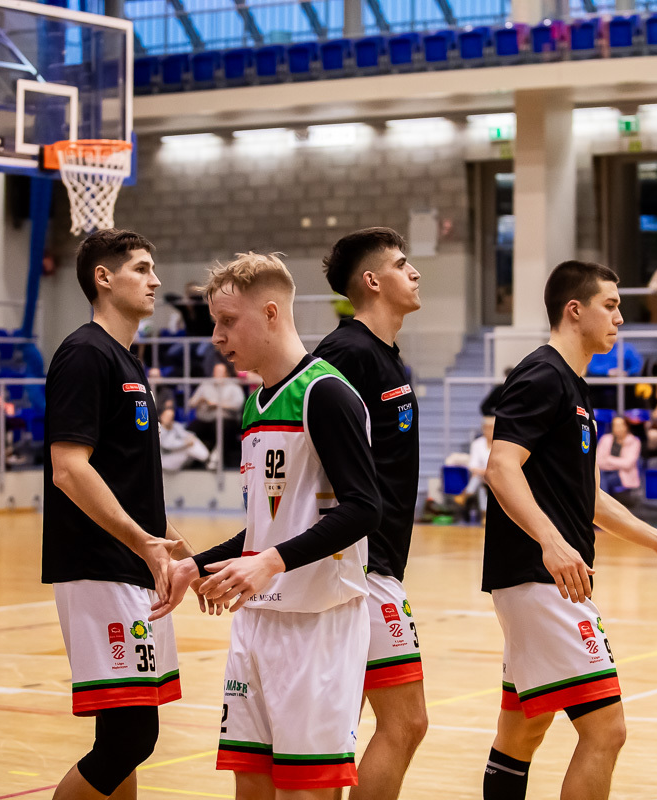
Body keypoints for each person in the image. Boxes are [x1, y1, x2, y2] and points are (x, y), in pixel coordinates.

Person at [156, 252, 382, 800]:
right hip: (257, 620)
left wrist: (270, 563)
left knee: (305, 791)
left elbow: (364, 507)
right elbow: (267, 527)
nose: (216, 336)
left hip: (317, 623)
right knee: (251, 783)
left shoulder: (326, 394)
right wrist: (195, 566)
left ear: (272, 314)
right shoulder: (255, 404)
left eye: (228, 321)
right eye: (215, 322)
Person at [479, 260, 657, 800]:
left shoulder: (574, 386)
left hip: (545, 578)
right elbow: (501, 467)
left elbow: (590, 497)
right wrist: (552, 542)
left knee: (523, 730)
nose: (620, 318)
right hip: (542, 579)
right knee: (606, 729)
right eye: (611, 305)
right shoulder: (542, 374)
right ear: (574, 310)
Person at [43, 229, 198, 800]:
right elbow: (69, 469)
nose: (156, 280)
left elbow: (134, 488)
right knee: (131, 737)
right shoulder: (85, 353)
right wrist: (143, 542)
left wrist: (186, 556)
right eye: (142, 268)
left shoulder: (128, 361)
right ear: (103, 278)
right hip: (99, 567)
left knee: (122, 734)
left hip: (132, 564)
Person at [310, 227, 427, 799]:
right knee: (406, 722)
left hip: (376, 564)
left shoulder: (385, 355)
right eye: (403, 264)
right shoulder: (345, 354)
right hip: (358, 564)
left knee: (338, 730)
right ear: (373, 281)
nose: (415, 272)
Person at [188, 362, 246, 467]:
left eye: (220, 372)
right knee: (191, 429)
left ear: (226, 373)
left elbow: (238, 405)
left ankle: (217, 456)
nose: (217, 375)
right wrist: (200, 400)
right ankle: (199, 457)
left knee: (221, 425)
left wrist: (217, 404)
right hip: (206, 419)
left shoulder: (234, 386)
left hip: (226, 420)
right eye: (216, 372)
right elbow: (191, 403)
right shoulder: (206, 385)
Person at [597, 415, 641, 505]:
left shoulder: (634, 441)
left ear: (626, 426)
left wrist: (608, 459)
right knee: (600, 475)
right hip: (605, 471)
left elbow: (627, 464)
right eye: (615, 425)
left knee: (603, 479)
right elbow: (598, 461)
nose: (617, 428)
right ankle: (604, 505)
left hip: (622, 474)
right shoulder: (606, 439)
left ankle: (604, 504)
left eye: (620, 425)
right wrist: (616, 463)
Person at [459, 416, 495, 518]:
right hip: (482, 475)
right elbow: (472, 465)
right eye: (487, 428)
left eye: (492, 428)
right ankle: (484, 513)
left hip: (496, 476)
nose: (490, 431)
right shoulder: (477, 444)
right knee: (480, 483)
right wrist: (484, 472)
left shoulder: (500, 444)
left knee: (479, 480)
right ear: (483, 429)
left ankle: (467, 493)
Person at [158, 406, 210, 472]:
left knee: (193, 441)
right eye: (167, 416)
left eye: (171, 417)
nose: (169, 419)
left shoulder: (175, 425)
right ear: (161, 416)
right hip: (164, 460)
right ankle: (207, 459)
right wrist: (185, 443)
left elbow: (186, 434)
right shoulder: (159, 429)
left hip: (176, 455)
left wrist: (190, 438)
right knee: (188, 449)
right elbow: (167, 445)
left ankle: (206, 458)